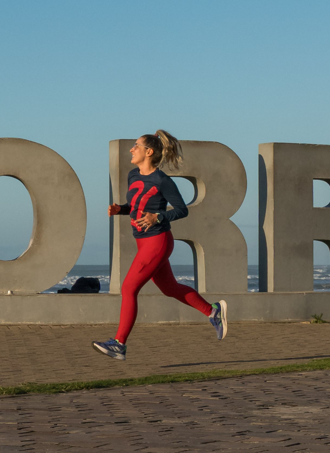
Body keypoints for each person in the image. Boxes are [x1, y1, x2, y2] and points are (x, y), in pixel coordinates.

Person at [92, 130, 228, 360]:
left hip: (158, 241)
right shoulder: (133, 175)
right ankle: (212, 311)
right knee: (169, 288)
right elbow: (136, 205)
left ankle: (119, 344)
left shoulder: (162, 180)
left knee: (128, 288)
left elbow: (182, 210)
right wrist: (121, 210)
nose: (131, 149)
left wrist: (158, 217)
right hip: (143, 243)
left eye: (136, 146)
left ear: (149, 152)